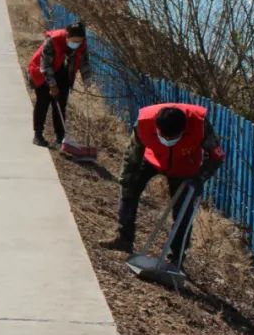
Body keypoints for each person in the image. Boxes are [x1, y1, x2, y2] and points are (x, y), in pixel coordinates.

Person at [102, 103, 226, 264]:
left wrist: (199, 178)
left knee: (183, 211)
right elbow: (132, 154)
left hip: (185, 166)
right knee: (129, 188)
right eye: (164, 137)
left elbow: (217, 156)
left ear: (184, 130)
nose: (168, 140)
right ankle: (123, 238)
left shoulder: (200, 125)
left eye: (173, 138)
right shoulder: (144, 123)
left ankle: (176, 258)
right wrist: (127, 179)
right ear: (157, 128)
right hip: (152, 159)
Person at [28, 21, 90, 146]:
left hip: (62, 71)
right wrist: (52, 85)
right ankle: (38, 135)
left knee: (61, 104)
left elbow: (84, 64)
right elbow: (45, 66)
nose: (76, 44)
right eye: (74, 41)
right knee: (43, 102)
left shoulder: (82, 45)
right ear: (67, 36)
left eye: (79, 41)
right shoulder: (52, 41)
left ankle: (60, 138)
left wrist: (87, 82)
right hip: (41, 72)